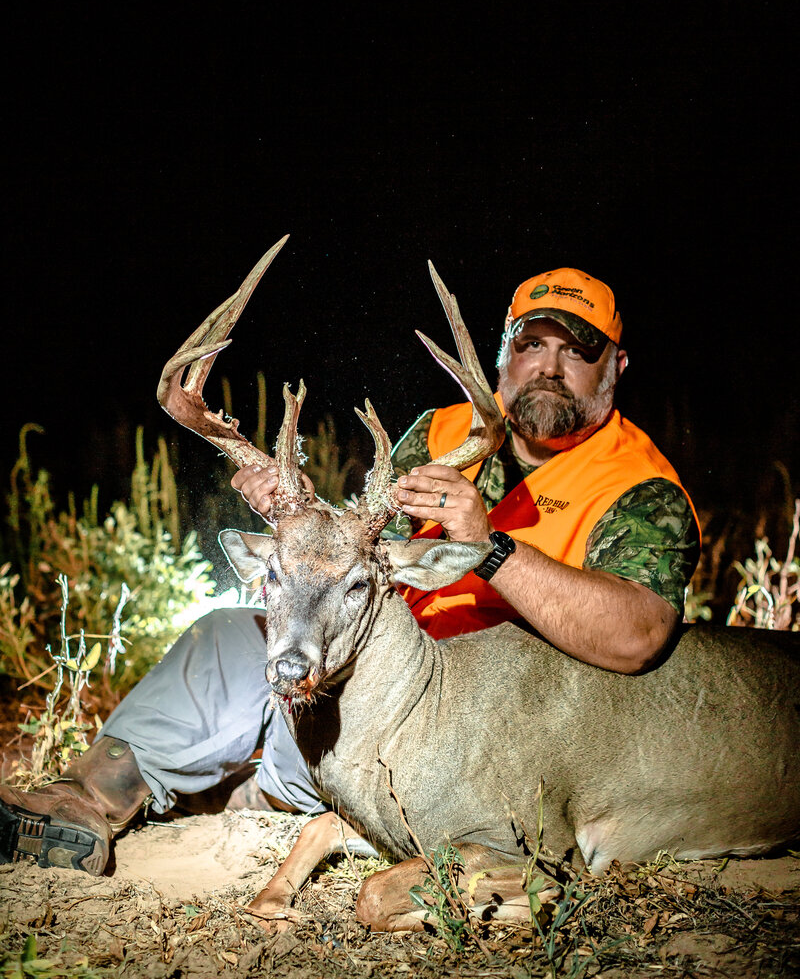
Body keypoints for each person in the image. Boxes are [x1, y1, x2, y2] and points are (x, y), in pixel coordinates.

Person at [0, 267, 700, 875]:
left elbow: (637, 638)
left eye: (578, 351)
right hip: (367, 663)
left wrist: (492, 547)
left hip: (485, 726)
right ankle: (80, 805)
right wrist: (292, 509)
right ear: (501, 355)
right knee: (223, 639)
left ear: (617, 366)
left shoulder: (640, 488)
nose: (549, 366)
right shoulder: (442, 432)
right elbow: (359, 547)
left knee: (331, 744)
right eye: (531, 344)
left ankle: (256, 790)